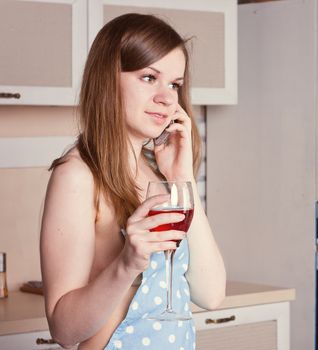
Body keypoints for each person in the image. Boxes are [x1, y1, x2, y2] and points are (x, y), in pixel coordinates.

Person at [40, 13, 226, 350]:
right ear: (107, 79)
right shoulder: (78, 177)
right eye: (149, 77)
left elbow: (211, 294)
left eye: (174, 84)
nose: (167, 97)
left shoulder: (159, 176)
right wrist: (127, 263)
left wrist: (181, 179)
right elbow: (64, 333)